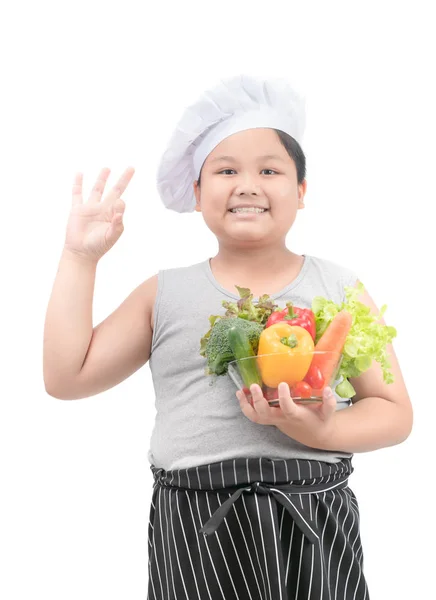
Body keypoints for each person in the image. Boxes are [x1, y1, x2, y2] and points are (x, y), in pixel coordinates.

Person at [43, 74, 412, 600]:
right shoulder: (163, 293)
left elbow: (395, 413)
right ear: (196, 193)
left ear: (302, 192)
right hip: (196, 521)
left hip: (313, 514)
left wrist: (319, 433)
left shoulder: (340, 287)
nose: (247, 184)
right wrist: (81, 258)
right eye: (225, 170)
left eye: (269, 169)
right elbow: (66, 377)